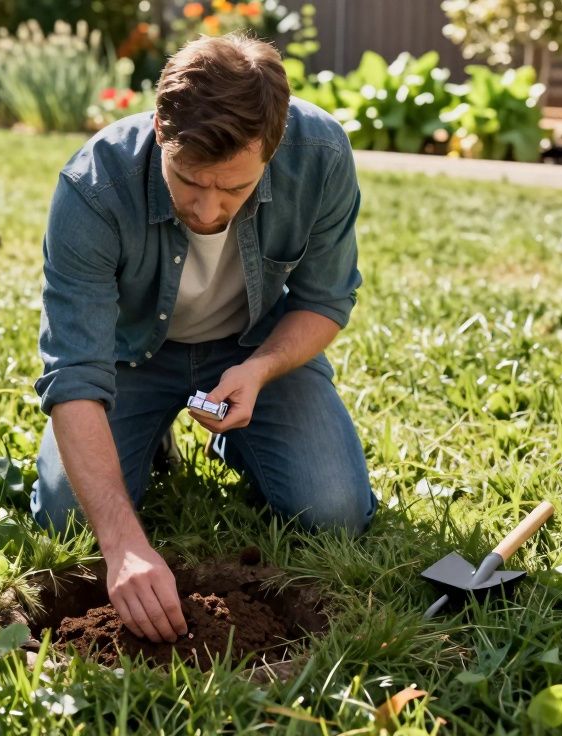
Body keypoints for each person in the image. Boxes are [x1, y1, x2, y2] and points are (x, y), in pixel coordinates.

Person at [30, 33, 377, 644]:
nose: (210, 209)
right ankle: (151, 434)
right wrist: (124, 546)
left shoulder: (319, 154)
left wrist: (262, 369)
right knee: (67, 522)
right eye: (190, 180)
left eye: (236, 189)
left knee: (336, 516)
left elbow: (325, 302)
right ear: (162, 129)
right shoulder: (94, 187)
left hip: (252, 348)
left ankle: (237, 437)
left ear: (272, 148)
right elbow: (75, 372)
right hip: (131, 358)